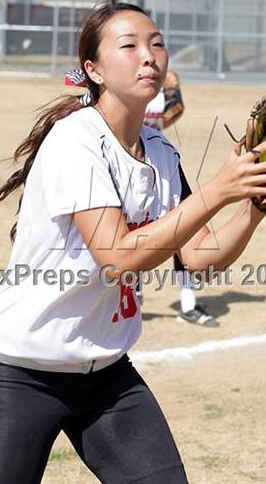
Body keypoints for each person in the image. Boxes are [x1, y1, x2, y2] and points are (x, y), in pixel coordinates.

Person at [0, 0, 266, 484]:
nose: (150, 56)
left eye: (157, 43)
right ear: (92, 69)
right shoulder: (75, 141)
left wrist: (253, 206)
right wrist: (217, 189)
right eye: (130, 45)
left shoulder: (159, 150)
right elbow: (117, 258)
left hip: (106, 376)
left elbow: (200, 258)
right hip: (21, 372)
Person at [64, 67, 218, 326]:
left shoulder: (147, 95)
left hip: (154, 168)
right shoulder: (123, 101)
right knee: (131, 241)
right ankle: (137, 293)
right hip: (125, 173)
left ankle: (183, 302)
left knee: (178, 234)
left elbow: (172, 112)